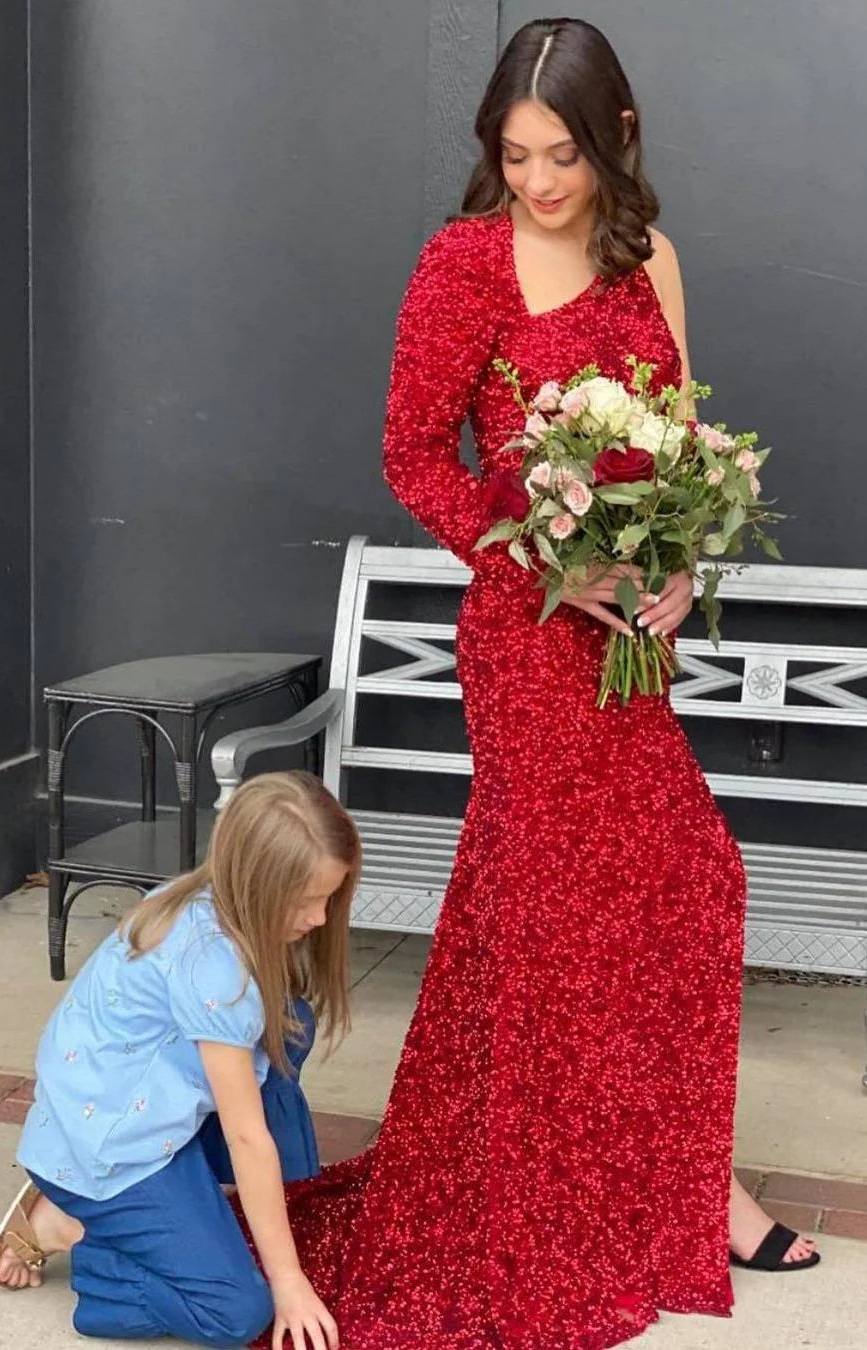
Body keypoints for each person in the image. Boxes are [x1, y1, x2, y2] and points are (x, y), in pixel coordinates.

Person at [231, 18, 821, 1350]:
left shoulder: (651, 259)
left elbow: (671, 449)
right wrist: (540, 550)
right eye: (515, 153)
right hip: (525, 636)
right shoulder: (463, 263)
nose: (540, 182)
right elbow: (411, 450)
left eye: (562, 154)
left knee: (673, 890)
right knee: (571, 918)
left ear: (617, 139)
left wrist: (674, 567)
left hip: (630, 644)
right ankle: (657, 1197)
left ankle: (679, 1184)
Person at [0, 771, 360, 1350]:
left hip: (120, 1105)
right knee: (237, 1310)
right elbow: (247, 1136)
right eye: (308, 900)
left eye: (330, 897)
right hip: (112, 1150)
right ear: (256, 884)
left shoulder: (207, 894)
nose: (320, 917)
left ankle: (222, 1206)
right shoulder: (216, 970)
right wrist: (288, 1283)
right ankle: (83, 1239)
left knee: (292, 1024)